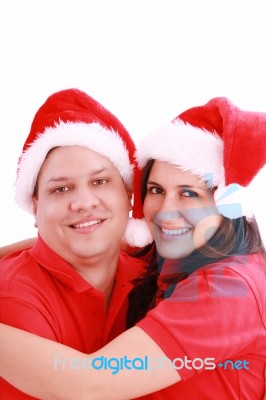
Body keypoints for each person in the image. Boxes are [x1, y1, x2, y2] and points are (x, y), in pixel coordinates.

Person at [1, 97, 266, 399]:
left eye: (189, 193)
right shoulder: (168, 255)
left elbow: (89, 386)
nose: (166, 211)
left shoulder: (225, 289)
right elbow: (95, 233)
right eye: (156, 190)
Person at [0, 88, 152, 399]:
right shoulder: (13, 296)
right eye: (60, 189)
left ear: (128, 196)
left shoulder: (154, 270)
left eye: (99, 181)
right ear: (36, 207)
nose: (83, 202)